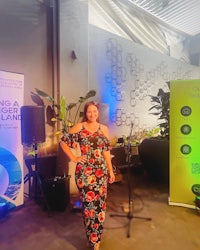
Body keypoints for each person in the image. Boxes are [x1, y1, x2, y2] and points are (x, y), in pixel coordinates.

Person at [60, 101, 115, 250]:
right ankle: (92, 239)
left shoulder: (104, 129)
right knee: (89, 207)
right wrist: (74, 157)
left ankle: (95, 240)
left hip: (101, 173)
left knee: (100, 207)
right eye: (89, 111)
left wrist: (110, 171)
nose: (92, 114)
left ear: (98, 112)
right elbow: (63, 142)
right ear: (86, 113)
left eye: (95, 111)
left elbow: (106, 152)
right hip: (85, 173)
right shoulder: (80, 127)